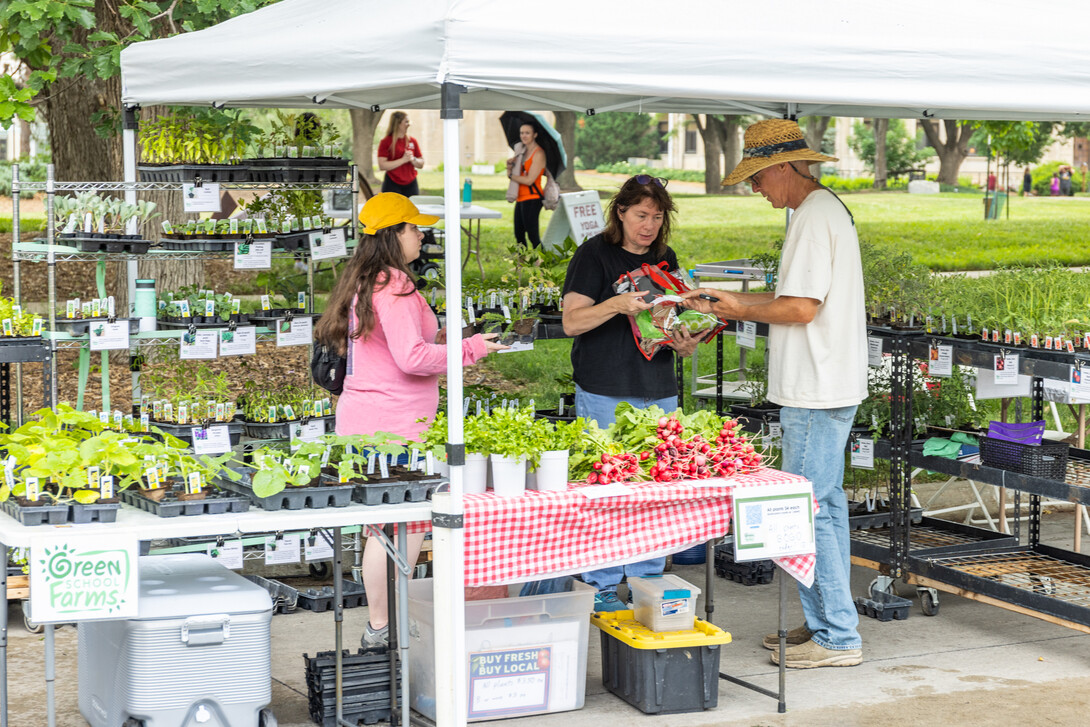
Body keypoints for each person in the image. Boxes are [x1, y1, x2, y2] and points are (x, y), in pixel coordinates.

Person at [684, 119, 867, 669]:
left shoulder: (812, 218)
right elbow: (795, 295)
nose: (755, 190)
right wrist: (731, 298)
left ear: (784, 168)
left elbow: (800, 309)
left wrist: (737, 309)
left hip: (815, 389)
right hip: (826, 383)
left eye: (759, 180)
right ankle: (828, 624)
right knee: (825, 509)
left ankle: (837, 636)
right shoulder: (822, 210)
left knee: (810, 511)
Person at [314, 193, 506, 647]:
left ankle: (381, 625)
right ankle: (382, 629)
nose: (422, 234)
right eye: (414, 228)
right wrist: (472, 349)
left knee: (384, 527)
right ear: (393, 235)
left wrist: (441, 336)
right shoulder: (395, 284)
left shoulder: (367, 279)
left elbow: (394, 344)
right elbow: (411, 358)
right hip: (393, 426)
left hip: (367, 419)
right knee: (400, 528)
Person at [561, 175, 707, 611]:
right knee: (608, 490)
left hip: (659, 388)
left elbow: (669, 319)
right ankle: (602, 582)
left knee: (655, 492)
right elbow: (571, 322)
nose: (649, 225)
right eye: (641, 215)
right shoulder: (594, 254)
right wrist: (615, 304)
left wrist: (684, 341)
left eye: (657, 217)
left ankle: (646, 581)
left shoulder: (666, 257)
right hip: (605, 388)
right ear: (620, 212)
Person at [507, 123, 548, 248]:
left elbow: (529, 180)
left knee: (532, 235)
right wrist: (510, 167)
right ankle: (522, 264)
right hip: (521, 197)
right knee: (519, 235)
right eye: (521, 133)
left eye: (527, 133)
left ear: (534, 135)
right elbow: (519, 173)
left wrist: (511, 176)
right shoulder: (521, 152)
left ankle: (543, 263)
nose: (523, 136)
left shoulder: (539, 153)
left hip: (533, 198)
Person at [377, 111, 424, 196]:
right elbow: (382, 165)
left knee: (411, 208)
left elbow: (421, 163)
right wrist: (403, 160)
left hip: (411, 183)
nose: (409, 124)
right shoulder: (386, 142)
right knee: (393, 208)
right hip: (392, 183)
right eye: (406, 122)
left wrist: (413, 159)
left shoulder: (412, 141)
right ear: (398, 123)